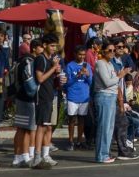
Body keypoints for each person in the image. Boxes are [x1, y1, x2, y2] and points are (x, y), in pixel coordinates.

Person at [31, 37, 61, 169]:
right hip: (42, 97)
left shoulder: (50, 60)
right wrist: (53, 68)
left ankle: (45, 154)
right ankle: (37, 156)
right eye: (52, 45)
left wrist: (57, 74)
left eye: (55, 46)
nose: (54, 48)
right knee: (41, 126)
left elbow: (50, 78)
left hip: (50, 95)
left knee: (48, 127)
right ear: (45, 45)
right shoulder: (40, 59)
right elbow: (40, 78)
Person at [10, 41, 37, 169]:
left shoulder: (22, 60)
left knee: (23, 128)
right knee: (25, 128)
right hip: (26, 97)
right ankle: (23, 156)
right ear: (36, 48)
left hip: (21, 96)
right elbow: (29, 82)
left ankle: (19, 156)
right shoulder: (29, 61)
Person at [92, 43, 119, 164]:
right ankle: (101, 155)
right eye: (110, 50)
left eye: (114, 50)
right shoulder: (100, 63)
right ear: (103, 51)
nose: (112, 52)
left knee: (109, 127)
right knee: (104, 127)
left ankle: (105, 152)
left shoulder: (110, 64)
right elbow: (107, 82)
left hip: (112, 96)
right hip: (104, 96)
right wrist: (120, 76)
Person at [63, 46, 92, 151]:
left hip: (84, 96)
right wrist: (77, 75)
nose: (82, 57)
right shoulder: (70, 66)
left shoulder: (87, 66)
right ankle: (70, 141)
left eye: (84, 54)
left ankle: (79, 140)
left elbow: (91, 83)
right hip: (73, 96)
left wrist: (88, 75)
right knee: (71, 119)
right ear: (75, 54)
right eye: (80, 54)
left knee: (82, 119)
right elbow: (67, 83)